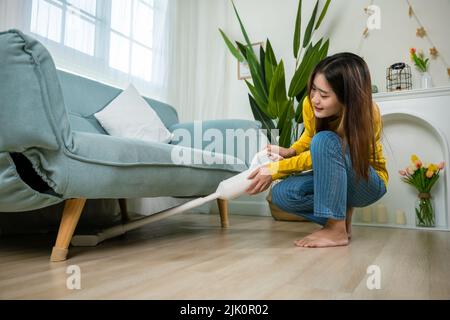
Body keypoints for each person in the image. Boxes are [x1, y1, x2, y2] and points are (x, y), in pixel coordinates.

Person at [245, 52, 388, 248]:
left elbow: (322, 147)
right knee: (282, 194)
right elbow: (310, 137)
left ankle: (336, 231)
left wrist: (275, 169)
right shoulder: (310, 104)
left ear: (347, 98)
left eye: (324, 95)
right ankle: (339, 221)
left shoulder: (368, 113)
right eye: (313, 90)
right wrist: (291, 151)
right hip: (337, 177)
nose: (314, 99)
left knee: (325, 140)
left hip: (366, 182)